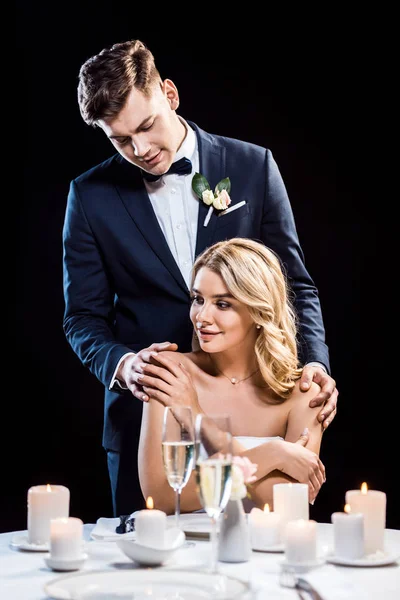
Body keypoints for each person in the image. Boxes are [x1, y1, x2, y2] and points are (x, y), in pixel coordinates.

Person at [63, 38, 337, 517]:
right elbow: (82, 319)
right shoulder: (89, 196)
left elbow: (296, 284)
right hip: (147, 422)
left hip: (254, 397)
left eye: (146, 126)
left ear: (169, 94)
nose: (141, 149)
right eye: (121, 140)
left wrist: (315, 362)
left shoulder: (252, 166)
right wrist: (131, 370)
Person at [138, 238, 325, 513]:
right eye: (198, 299)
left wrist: (198, 418)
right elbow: (164, 497)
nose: (202, 316)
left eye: (222, 304)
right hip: (187, 549)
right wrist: (272, 456)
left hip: (267, 550)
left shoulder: (304, 392)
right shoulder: (169, 372)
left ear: (259, 310)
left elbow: (287, 506)